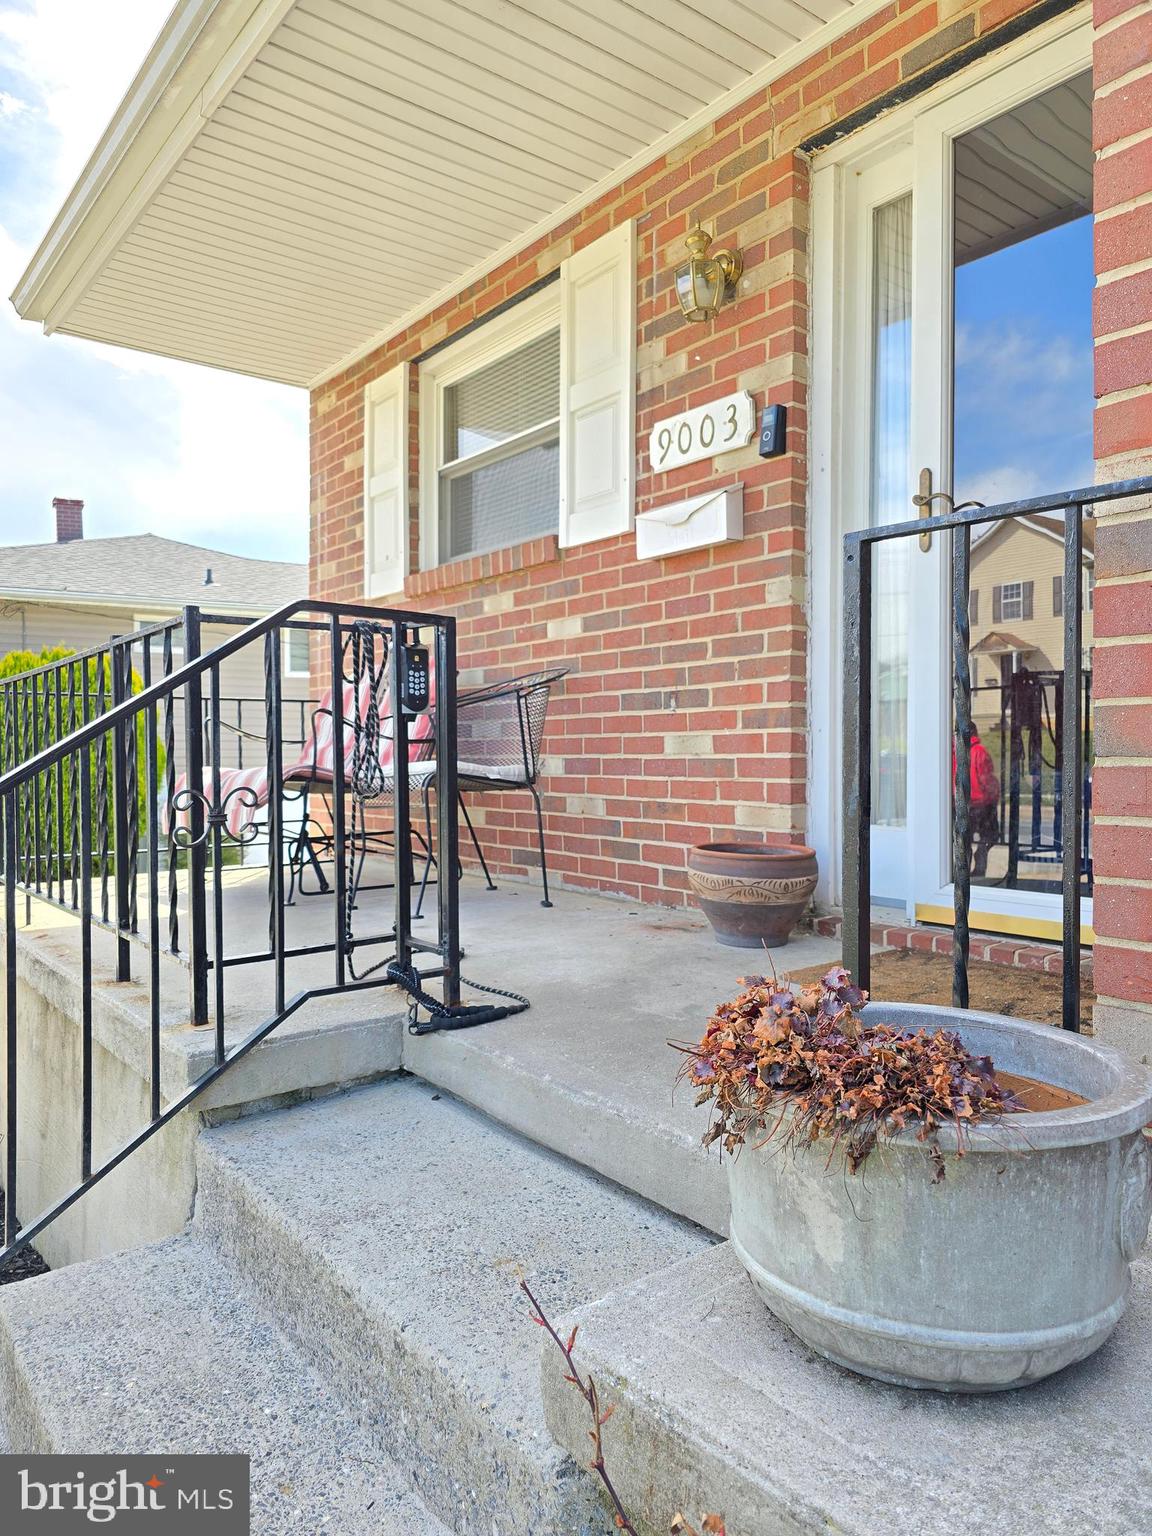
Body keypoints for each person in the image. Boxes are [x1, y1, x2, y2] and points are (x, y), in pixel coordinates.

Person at [953, 727, 1001, 877]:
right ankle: (980, 863)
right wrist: (995, 795)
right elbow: (986, 778)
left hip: (962, 804)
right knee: (990, 836)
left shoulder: (953, 753)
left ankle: (963, 868)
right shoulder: (979, 751)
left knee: (964, 838)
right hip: (981, 803)